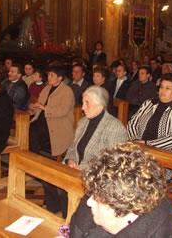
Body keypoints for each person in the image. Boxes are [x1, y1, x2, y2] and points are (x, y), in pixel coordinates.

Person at [68, 142, 172, 237]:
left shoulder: (165, 232)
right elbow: (75, 228)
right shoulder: (102, 190)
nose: (89, 202)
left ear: (123, 209)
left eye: (97, 198)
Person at [48, 86, 128, 217]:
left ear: (100, 105)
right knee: (49, 178)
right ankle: (62, 215)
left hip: (97, 175)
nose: (83, 107)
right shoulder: (83, 122)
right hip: (75, 168)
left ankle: (72, 219)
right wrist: (70, 160)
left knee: (63, 186)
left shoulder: (115, 127)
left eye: (87, 103)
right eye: (83, 102)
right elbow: (73, 147)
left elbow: (112, 163)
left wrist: (82, 168)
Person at [127, 73, 172, 155]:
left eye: (167, 88)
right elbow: (133, 123)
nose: (163, 91)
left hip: (170, 154)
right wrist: (135, 140)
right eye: (161, 87)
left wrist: (148, 144)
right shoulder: (149, 103)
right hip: (141, 149)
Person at [29, 65, 75, 157]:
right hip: (42, 120)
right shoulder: (46, 88)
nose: (49, 77)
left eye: (52, 75)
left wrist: (45, 108)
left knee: (34, 132)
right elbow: (40, 105)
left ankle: (32, 162)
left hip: (57, 123)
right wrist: (34, 107)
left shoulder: (67, 91)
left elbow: (64, 110)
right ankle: (29, 160)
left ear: (60, 78)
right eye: (49, 74)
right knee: (27, 129)